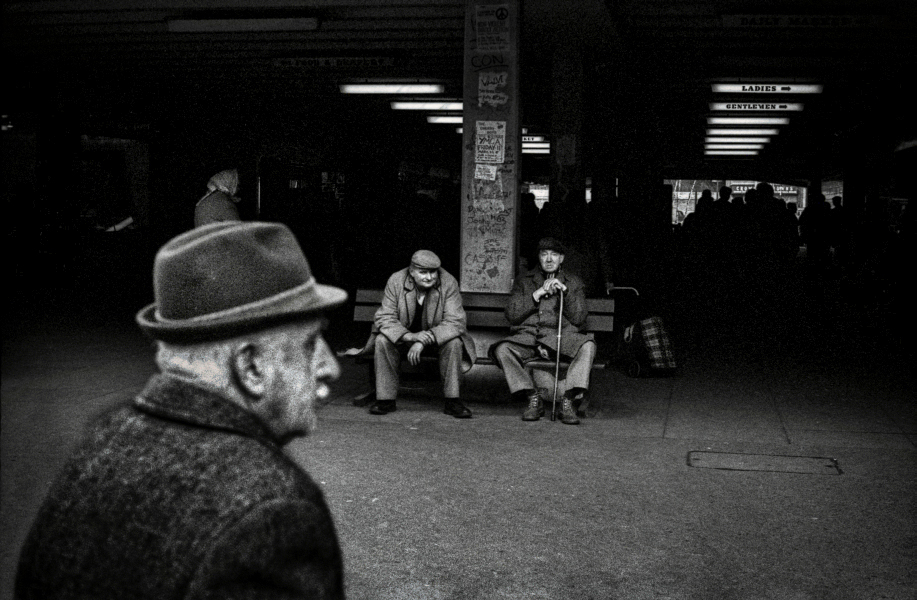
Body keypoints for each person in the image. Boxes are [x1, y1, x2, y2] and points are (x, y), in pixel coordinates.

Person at [15, 222, 347, 599]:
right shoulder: (275, 513)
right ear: (251, 368)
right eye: (310, 343)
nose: (331, 366)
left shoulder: (103, 443)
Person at [490, 237, 597, 425]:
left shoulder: (573, 282)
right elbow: (512, 315)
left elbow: (580, 318)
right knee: (502, 349)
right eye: (544, 254)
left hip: (559, 338)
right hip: (528, 338)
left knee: (587, 346)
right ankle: (533, 396)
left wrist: (565, 292)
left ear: (561, 259)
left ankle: (568, 400)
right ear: (539, 257)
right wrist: (536, 295)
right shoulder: (525, 281)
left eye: (554, 255)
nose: (549, 259)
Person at [366, 249, 476, 418]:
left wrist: (423, 340)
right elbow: (384, 317)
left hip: (437, 341)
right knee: (382, 340)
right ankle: (385, 400)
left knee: (454, 342)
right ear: (411, 272)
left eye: (433, 272)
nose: (429, 277)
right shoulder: (396, 280)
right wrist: (409, 336)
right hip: (404, 340)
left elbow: (456, 322)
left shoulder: (448, 282)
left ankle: (453, 401)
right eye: (423, 272)